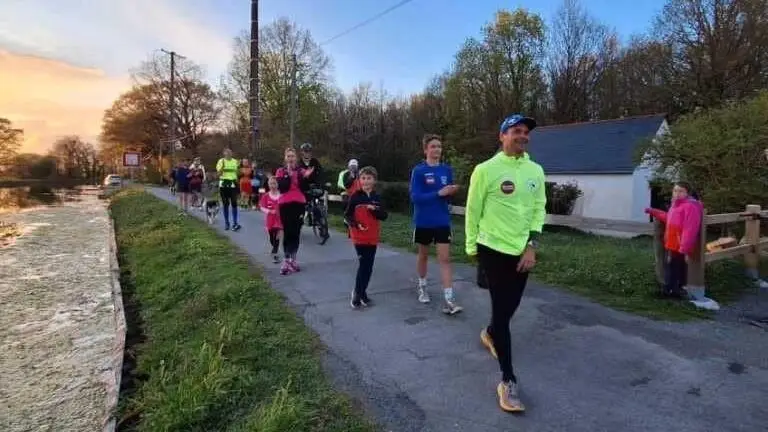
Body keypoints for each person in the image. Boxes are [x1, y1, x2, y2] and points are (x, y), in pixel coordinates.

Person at [465, 114, 546, 413]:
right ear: (502, 136)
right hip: (492, 247)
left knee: (510, 307)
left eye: (525, 132)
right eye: (516, 131)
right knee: (502, 311)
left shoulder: (535, 170)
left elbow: (539, 210)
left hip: (522, 251)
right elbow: (473, 210)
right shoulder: (486, 170)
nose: (522, 136)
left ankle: (489, 332)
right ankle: (508, 380)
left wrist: (532, 246)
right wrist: (472, 247)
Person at [409, 134, 462, 315]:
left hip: (442, 220)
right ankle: (422, 286)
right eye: (433, 146)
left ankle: (449, 299)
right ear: (426, 150)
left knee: (445, 259)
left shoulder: (446, 170)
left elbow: (446, 194)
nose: (437, 149)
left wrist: (450, 192)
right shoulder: (419, 171)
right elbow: (415, 197)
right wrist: (438, 193)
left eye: (439, 146)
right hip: (424, 220)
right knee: (423, 255)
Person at [645, 182, 703, 299]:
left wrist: (684, 247)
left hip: (681, 245)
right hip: (673, 243)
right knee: (673, 267)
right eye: (675, 191)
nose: (677, 193)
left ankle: (673, 292)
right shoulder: (676, 205)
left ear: (687, 193)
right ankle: (671, 291)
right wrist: (653, 212)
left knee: (677, 268)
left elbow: (690, 228)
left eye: (681, 191)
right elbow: (669, 218)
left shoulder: (690, 206)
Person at [344, 166, 388, 308]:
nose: (366, 181)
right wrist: (356, 225)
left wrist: (375, 209)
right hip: (359, 236)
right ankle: (357, 293)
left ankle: (363, 293)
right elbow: (347, 215)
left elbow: (384, 216)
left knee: (369, 266)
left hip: (372, 236)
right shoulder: (356, 196)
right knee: (364, 264)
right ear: (359, 180)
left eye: (369, 178)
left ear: (374, 180)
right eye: (363, 178)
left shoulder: (377, 197)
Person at [275, 147, 313, 275]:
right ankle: (286, 259)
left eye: (293, 156)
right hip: (285, 203)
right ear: (285, 158)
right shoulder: (280, 171)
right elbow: (282, 187)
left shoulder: (301, 171)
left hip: (299, 203)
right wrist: (288, 176)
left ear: (296, 158)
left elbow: (305, 186)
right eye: (288, 156)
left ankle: (293, 259)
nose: (291, 158)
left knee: (296, 231)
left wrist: (306, 177)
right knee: (287, 232)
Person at [216, 148, 241, 231]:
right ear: (224, 154)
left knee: (234, 203)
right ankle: (227, 223)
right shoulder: (221, 161)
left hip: (233, 183)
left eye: (230, 153)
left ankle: (235, 222)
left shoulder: (235, 161)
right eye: (227, 153)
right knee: (225, 204)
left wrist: (238, 168)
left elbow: (238, 173)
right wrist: (222, 168)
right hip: (223, 184)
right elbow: (218, 174)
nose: (228, 154)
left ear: (232, 153)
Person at [260, 175, 283, 264]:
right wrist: (269, 211)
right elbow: (262, 207)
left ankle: (275, 252)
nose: (272, 186)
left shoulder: (281, 196)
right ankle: (274, 247)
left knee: (277, 235)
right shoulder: (266, 196)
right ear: (268, 185)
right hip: (270, 220)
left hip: (279, 220)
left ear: (277, 184)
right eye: (271, 184)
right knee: (271, 237)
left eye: (274, 183)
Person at [298, 142, 323, 224]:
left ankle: (319, 221)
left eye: (308, 151)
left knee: (317, 203)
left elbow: (321, 172)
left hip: (314, 186)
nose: (307, 153)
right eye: (305, 151)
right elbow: (297, 176)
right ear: (302, 152)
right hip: (303, 187)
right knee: (302, 204)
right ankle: (302, 218)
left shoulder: (315, 162)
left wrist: (321, 183)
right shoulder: (299, 163)